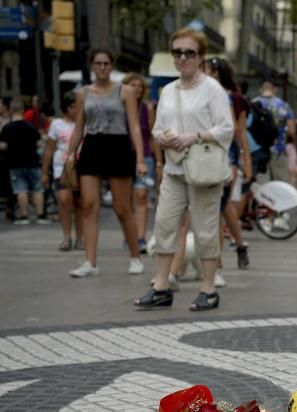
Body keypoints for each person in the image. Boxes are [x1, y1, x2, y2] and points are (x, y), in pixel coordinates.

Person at [136, 28, 233, 311]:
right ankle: (161, 286)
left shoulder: (212, 89)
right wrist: (162, 138)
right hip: (174, 168)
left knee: (205, 230)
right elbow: (156, 128)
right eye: (177, 52)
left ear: (201, 56)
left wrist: (194, 136)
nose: (182, 58)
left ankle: (208, 289)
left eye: (189, 52)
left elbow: (226, 128)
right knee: (164, 225)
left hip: (203, 169)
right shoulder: (168, 91)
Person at [64, 49, 147, 278]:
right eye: (98, 63)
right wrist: (71, 153)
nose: (102, 67)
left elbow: (134, 126)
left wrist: (140, 158)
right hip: (92, 146)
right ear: (91, 66)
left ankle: (135, 257)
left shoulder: (126, 91)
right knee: (89, 206)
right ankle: (91, 262)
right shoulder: (83, 93)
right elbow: (79, 126)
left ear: (112, 66)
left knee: (122, 208)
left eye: (106, 63)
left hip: (118, 146)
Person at [204, 57, 251, 273]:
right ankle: (240, 246)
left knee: (219, 206)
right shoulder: (198, 94)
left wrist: (245, 161)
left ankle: (217, 263)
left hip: (227, 153)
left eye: (209, 70)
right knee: (225, 207)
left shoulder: (234, 98)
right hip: (203, 150)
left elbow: (238, 131)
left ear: (218, 73)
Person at [42, 91, 83, 250]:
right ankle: (67, 237)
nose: (75, 110)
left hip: (82, 166)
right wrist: (45, 172)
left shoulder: (85, 123)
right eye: (72, 107)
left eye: (78, 107)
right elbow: (49, 150)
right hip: (62, 167)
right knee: (65, 200)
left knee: (81, 203)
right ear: (66, 108)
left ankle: (80, 238)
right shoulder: (56, 125)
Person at [0, 98, 47, 225]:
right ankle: (40, 215)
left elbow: (2, 146)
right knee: (37, 189)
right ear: (23, 110)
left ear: (10, 110)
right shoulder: (31, 127)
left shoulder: (7, 128)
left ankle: (24, 216)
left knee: (21, 189)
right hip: (32, 161)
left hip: (15, 163)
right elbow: (39, 143)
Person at [123, 73, 156, 253]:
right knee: (125, 200)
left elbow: (152, 135)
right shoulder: (119, 108)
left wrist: (158, 162)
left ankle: (140, 237)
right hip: (123, 156)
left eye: (139, 86)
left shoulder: (146, 108)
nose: (136, 89)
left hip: (145, 156)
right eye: (132, 85)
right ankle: (129, 234)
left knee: (141, 196)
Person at [252, 80, 295, 183]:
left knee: (260, 184)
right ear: (274, 90)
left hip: (257, 149)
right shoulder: (284, 105)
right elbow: (292, 131)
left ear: (260, 89)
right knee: (280, 183)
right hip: (278, 150)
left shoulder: (253, 104)